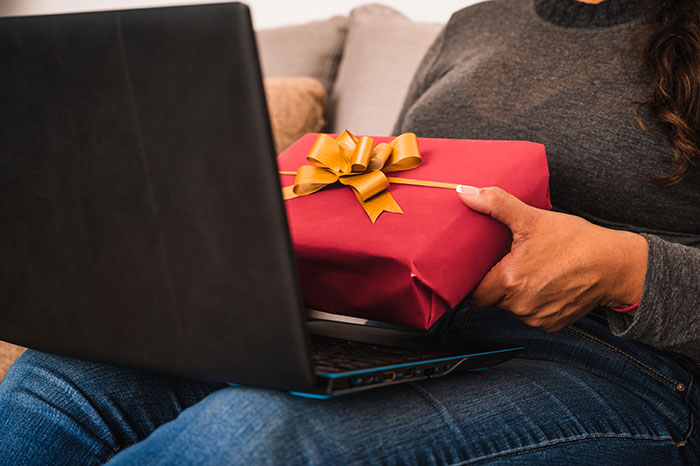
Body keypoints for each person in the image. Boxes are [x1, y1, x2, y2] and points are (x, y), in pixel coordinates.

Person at [1, 0, 699, 464]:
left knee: (248, 437)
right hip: (407, 335)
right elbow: (394, 193)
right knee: (59, 381)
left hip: (613, 366)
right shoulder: (479, 22)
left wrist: (626, 267)